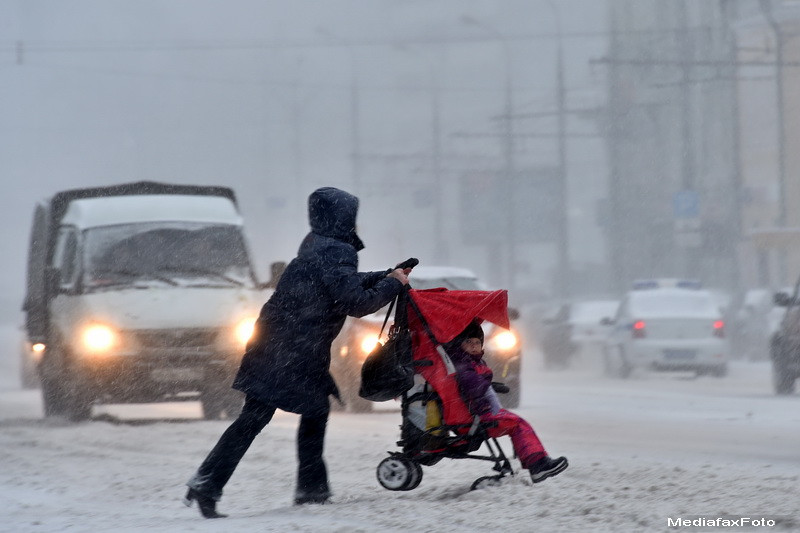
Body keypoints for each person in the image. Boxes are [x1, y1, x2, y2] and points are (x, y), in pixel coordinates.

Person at [184, 187, 411, 518]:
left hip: (278, 343)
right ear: (341, 219)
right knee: (280, 416)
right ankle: (305, 490)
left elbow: (341, 283)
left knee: (269, 417)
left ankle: (215, 484)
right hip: (294, 350)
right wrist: (393, 285)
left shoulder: (317, 245)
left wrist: (385, 275)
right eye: (352, 218)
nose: (356, 226)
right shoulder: (337, 251)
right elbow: (355, 302)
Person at [446, 320, 568, 484]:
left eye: (477, 342)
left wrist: (489, 386)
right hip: (479, 416)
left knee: (518, 423)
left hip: (481, 412)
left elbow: (476, 383)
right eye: (469, 342)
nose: (474, 346)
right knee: (518, 424)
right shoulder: (463, 365)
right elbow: (471, 384)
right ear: (460, 345)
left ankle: (536, 462)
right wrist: (485, 386)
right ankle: (537, 464)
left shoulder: (473, 362)